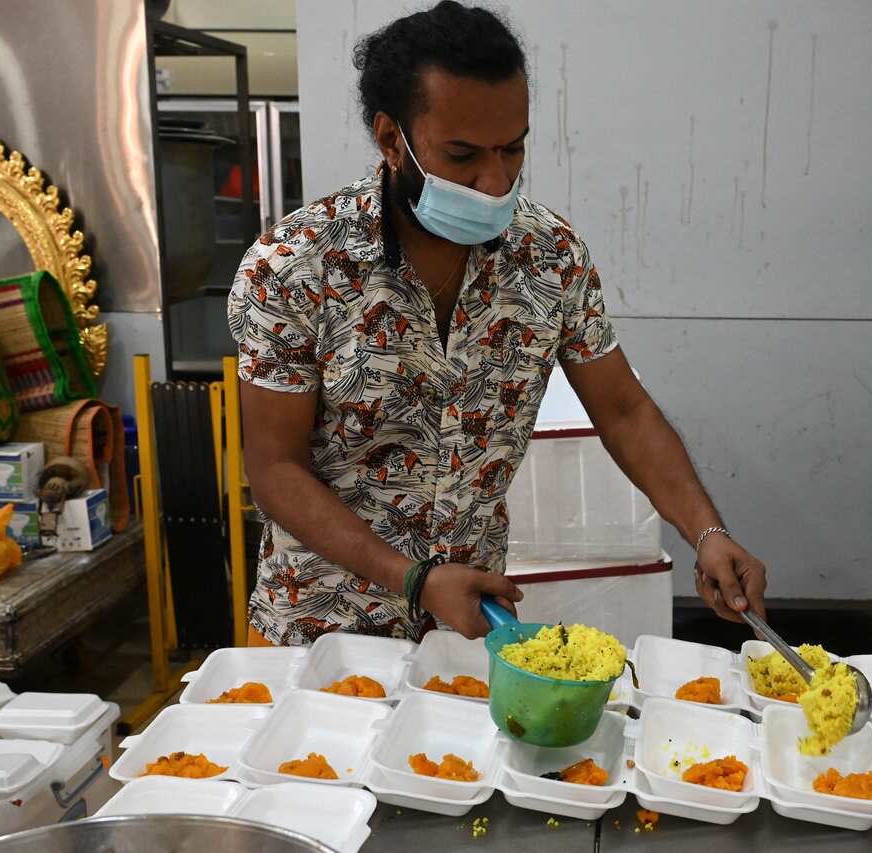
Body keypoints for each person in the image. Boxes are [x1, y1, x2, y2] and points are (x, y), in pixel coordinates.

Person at [228, 1, 766, 645]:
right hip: (320, 625)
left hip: (470, 618)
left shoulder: (551, 256)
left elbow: (624, 411)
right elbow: (275, 468)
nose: (494, 181)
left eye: (513, 149)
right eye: (462, 156)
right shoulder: (295, 265)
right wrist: (413, 578)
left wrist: (706, 532)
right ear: (392, 139)